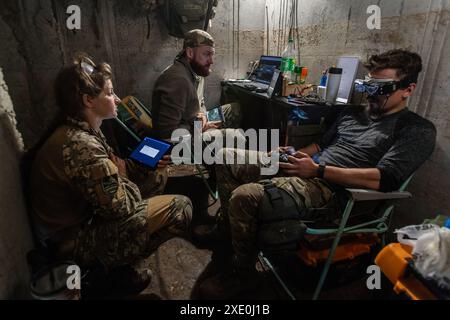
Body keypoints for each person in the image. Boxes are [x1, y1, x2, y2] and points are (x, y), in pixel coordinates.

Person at [198, 49, 437, 298]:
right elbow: (320, 146)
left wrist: (318, 171)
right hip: (311, 169)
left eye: (382, 88)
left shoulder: (416, 130)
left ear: (408, 89)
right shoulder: (353, 113)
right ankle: (227, 230)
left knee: (244, 196)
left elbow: (384, 178)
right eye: (369, 86)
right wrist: (293, 154)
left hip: (336, 191)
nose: (371, 95)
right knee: (226, 156)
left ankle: (244, 273)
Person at [28, 54, 192, 295]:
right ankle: (106, 274)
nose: (116, 98)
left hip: (81, 218)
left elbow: (115, 170)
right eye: (109, 93)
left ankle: (119, 261)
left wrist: (139, 167)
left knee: (155, 174)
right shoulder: (81, 146)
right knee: (181, 208)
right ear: (88, 100)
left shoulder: (82, 127)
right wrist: (128, 181)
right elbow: (120, 207)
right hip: (70, 242)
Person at [151, 29, 242, 141]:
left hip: (195, 123)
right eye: (206, 54)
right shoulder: (178, 81)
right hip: (184, 141)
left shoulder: (197, 72)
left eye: (212, 54)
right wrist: (199, 129)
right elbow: (167, 135)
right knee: (236, 137)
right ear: (190, 53)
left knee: (234, 109)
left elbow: (201, 103)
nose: (211, 61)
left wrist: (203, 116)